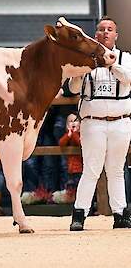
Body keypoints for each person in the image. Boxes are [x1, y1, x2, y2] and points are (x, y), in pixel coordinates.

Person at [69, 16, 131, 231]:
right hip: (93, 123)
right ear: (95, 35)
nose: (105, 32)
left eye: (110, 29)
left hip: (120, 122)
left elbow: (129, 79)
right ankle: (79, 214)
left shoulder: (126, 57)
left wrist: (112, 64)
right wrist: (81, 69)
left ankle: (120, 214)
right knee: (92, 170)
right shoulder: (86, 59)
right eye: (102, 29)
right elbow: (74, 89)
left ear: (116, 35)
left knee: (116, 170)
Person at [59, 113, 82, 190]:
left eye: (75, 121)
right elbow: (61, 143)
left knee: (79, 186)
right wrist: (68, 135)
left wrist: (74, 133)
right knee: (70, 187)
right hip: (69, 167)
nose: (73, 123)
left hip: (80, 167)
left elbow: (80, 143)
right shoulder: (68, 135)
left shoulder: (81, 134)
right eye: (70, 121)